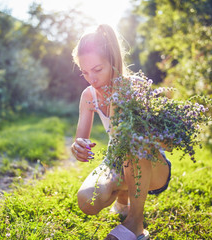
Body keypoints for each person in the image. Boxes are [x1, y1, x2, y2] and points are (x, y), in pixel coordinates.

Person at [71, 24, 172, 240]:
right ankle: (124, 198)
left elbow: (161, 141)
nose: (92, 79)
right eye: (85, 72)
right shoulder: (89, 96)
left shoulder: (135, 87)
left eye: (97, 70)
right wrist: (78, 148)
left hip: (151, 167)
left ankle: (135, 223)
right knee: (87, 200)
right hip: (116, 161)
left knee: (131, 142)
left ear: (114, 61)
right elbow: (81, 140)